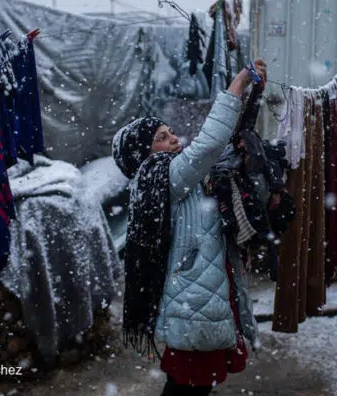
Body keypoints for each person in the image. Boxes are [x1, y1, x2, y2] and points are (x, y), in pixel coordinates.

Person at [112, 59, 267, 395]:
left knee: (189, 385)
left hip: (194, 295)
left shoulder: (168, 179)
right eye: (161, 138)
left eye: (170, 133)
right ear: (145, 154)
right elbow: (209, 144)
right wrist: (238, 84)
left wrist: (250, 99)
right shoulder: (165, 175)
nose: (173, 140)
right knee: (189, 386)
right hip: (193, 300)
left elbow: (220, 147)